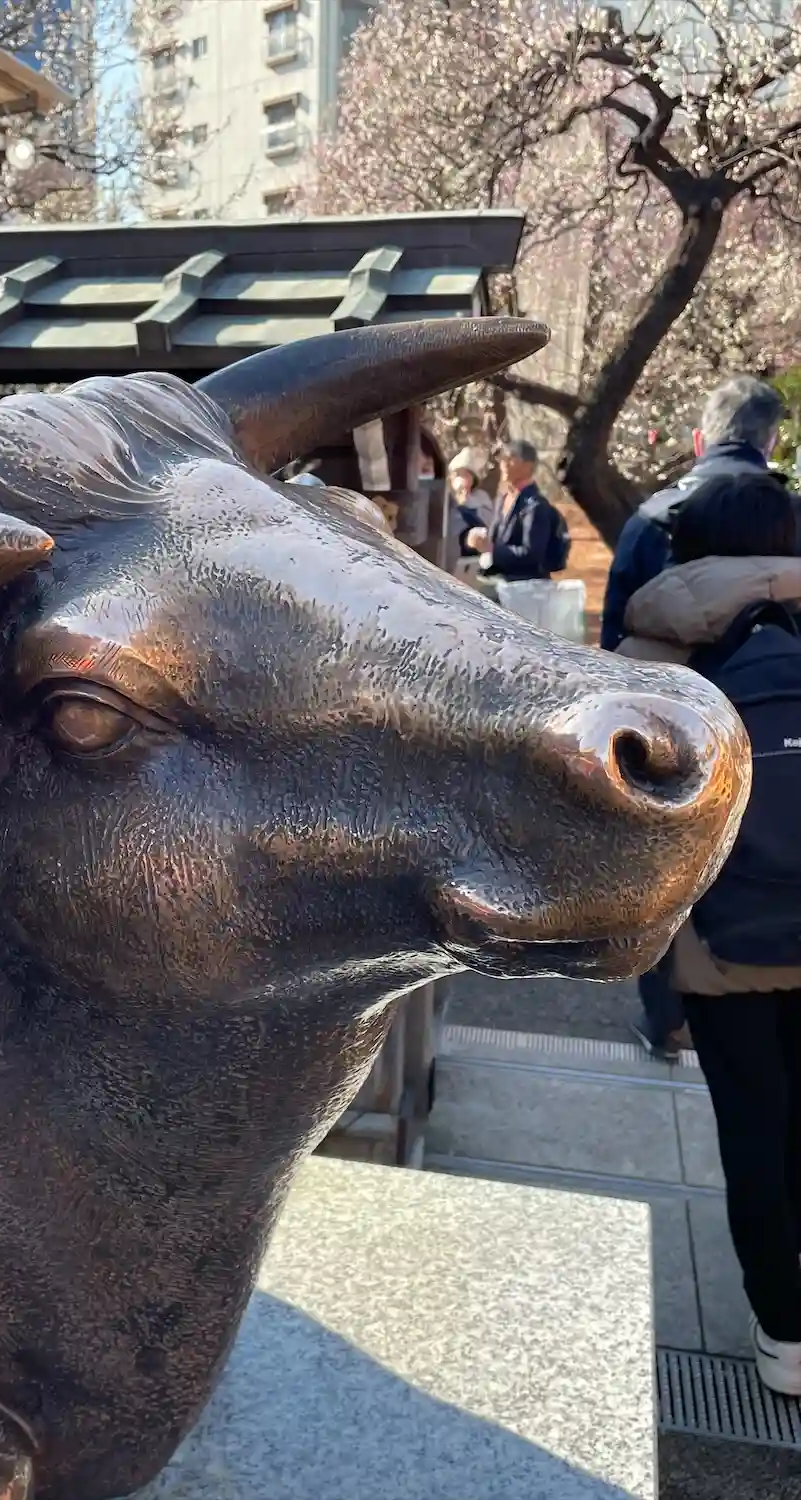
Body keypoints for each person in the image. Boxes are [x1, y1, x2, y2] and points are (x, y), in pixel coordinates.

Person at [616, 470, 801, 1395]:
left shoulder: (653, 649)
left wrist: (650, 975)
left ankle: (785, 1334)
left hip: (719, 942)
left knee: (752, 1126)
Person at [600, 375, 785, 651]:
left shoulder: (649, 518)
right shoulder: (792, 514)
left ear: (699, 441)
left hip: (662, 674)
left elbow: (614, 634)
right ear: (772, 443)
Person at [463, 439, 561, 582]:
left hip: (524, 586)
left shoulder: (535, 506)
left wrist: (492, 549)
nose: (504, 463)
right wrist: (480, 539)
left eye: (510, 458)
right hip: (499, 580)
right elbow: (499, 539)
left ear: (528, 466)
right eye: (502, 458)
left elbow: (531, 555)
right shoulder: (503, 499)